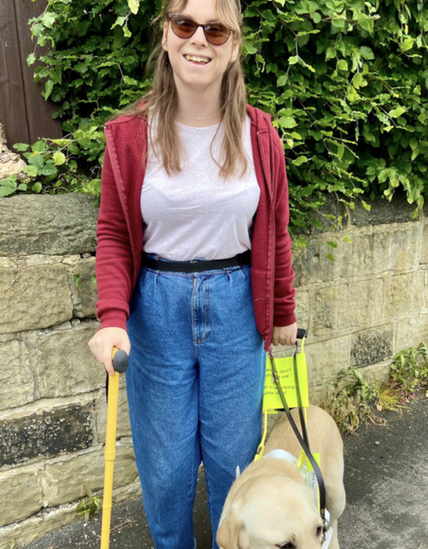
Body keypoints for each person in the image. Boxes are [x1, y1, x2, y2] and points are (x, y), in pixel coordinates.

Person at [87, 0, 297, 546]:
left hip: (235, 308)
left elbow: (274, 232)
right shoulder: (131, 136)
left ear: (234, 46)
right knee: (166, 470)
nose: (198, 38)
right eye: (185, 24)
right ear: (165, 36)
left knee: (233, 464)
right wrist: (112, 317)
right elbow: (112, 233)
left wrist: (283, 313)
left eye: (215, 28)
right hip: (156, 310)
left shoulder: (260, 136)